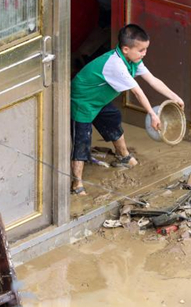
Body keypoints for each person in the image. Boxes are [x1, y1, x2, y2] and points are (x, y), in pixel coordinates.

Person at [70, 24, 184, 196]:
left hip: (100, 100)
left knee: (114, 118)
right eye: (141, 50)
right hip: (83, 101)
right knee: (82, 140)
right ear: (126, 49)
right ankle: (77, 183)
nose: (144, 53)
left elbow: (153, 80)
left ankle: (123, 156)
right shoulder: (115, 64)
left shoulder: (133, 60)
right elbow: (137, 92)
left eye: (146, 49)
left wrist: (175, 97)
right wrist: (152, 115)